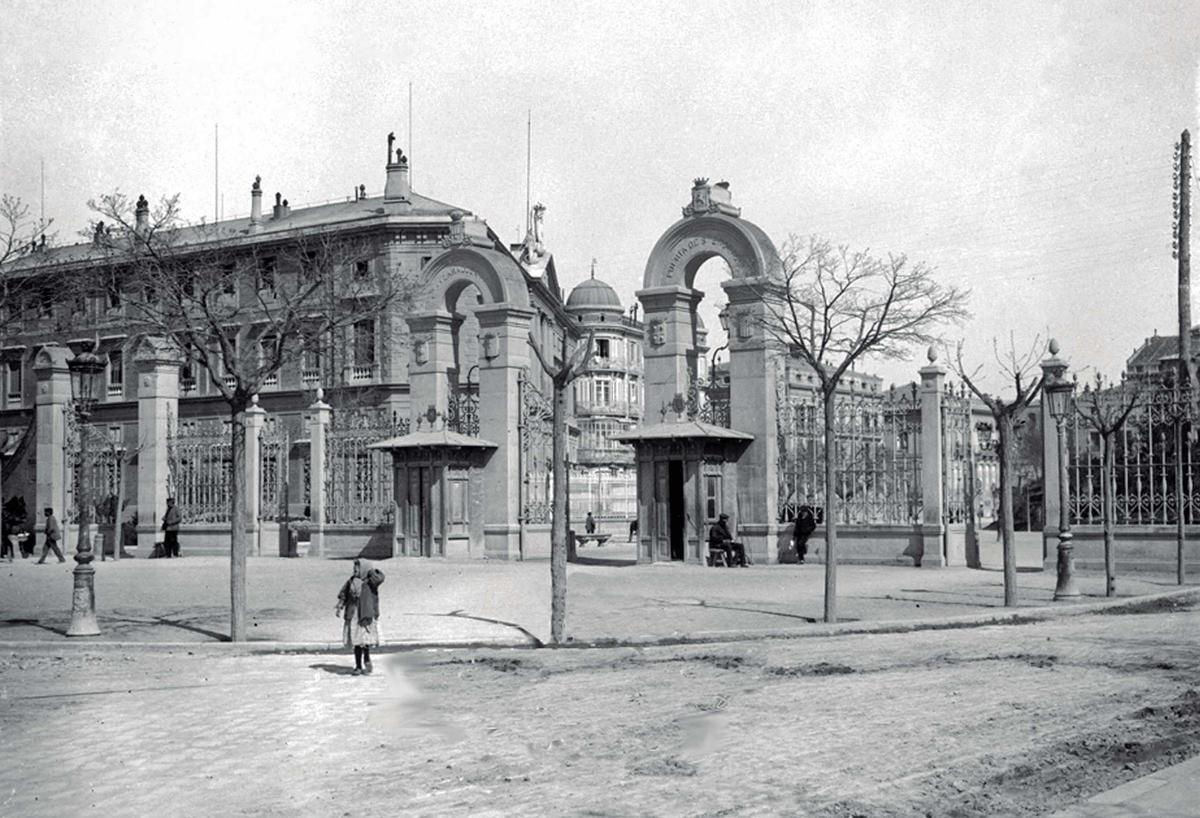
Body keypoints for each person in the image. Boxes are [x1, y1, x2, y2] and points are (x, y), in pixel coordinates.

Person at [336, 558, 386, 676]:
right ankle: (358, 666)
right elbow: (344, 594)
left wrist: (371, 571)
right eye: (354, 567)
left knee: (365, 641)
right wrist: (340, 606)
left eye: (358, 567)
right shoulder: (351, 581)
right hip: (354, 615)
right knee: (357, 642)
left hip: (366, 615)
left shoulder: (371, 582)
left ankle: (367, 659)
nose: (355, 570)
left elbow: (380, 578)